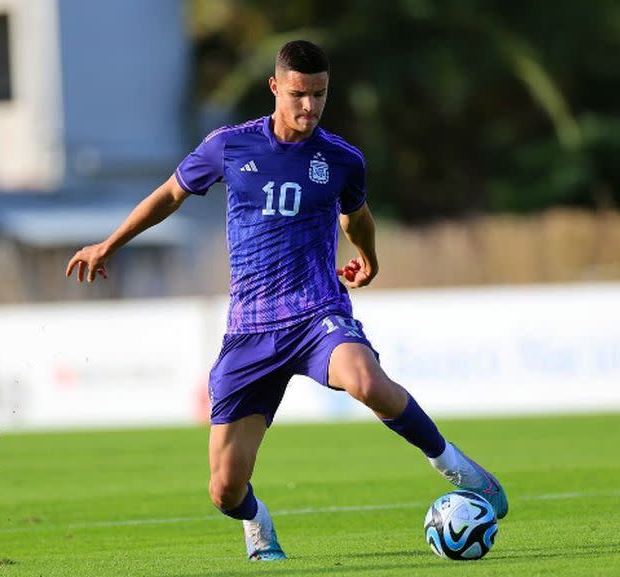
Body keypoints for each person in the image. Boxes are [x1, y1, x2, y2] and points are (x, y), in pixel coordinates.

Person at [66, 39, 508, 561]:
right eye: (299, 94)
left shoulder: (342, 159)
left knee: (367, 381)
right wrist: (108, 244)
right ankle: (256, 522)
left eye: (320, 95)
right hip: (250, 331)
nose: (310, 107)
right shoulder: (229, 146)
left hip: (316, 311)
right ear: (275, 87)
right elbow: (169, 195)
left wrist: (368, 254)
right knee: (224, 489)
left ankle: (457, 468)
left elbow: (356, 214)